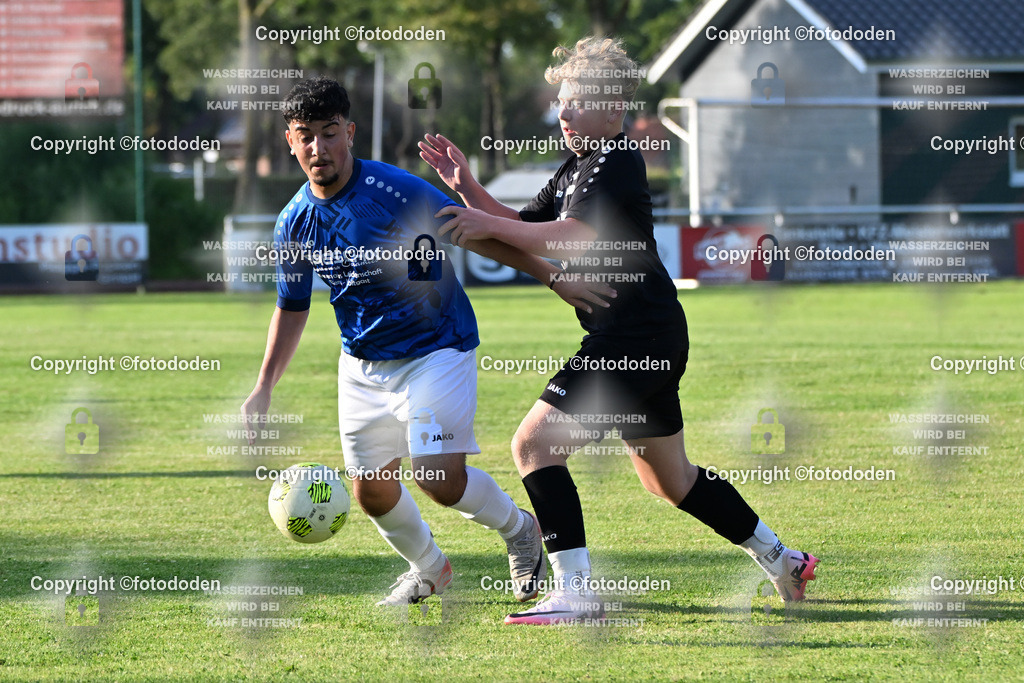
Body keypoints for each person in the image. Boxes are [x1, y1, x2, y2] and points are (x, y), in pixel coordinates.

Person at [419, 37, 818, 625]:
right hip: (648, 334)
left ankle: (575, 592)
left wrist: (479, 218)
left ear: (612, 112)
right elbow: (519, 228)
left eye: (577, 103)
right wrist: (469, 190)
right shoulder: (581, 165)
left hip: (633, 338)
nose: (565, 114)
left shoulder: (614, 158)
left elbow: (574, 237)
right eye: (561, 103)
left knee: (534, 447)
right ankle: (782, 558)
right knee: (671, 481)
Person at [241, 76, 607, 607]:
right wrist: (263, 385)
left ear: (350, 133)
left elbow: (477, 232)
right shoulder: (294, 222)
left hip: (438, 346)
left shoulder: (397, 192)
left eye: (329, 132)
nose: (318, 148)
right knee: (372, 491)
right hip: (362, 362)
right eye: (305, 135)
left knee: (436, 476)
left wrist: (553, 275)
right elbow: (292, 306)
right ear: (289, 142)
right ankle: (430, 569)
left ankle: (519, 529)